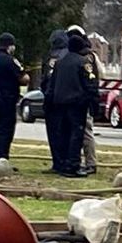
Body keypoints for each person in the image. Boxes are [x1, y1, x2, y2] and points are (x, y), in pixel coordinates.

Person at [49, 32, 100, 177]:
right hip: (77, 105)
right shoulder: (83, 63)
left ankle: (64, 164)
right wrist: (93, 103)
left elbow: (52, 86)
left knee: (64, 134)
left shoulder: (60, 63)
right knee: (76, 135)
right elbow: (90, 84)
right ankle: (73, 165)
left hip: (60, 105)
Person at [0, 33, 26, 172]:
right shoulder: (10, 60)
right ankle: (0, 161)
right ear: (10, 46)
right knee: (5, 130)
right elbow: (24, 78)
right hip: (5, 99)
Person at [67, 24, 102, 174]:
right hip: (78, 99)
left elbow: (95, 75)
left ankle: (90, 162)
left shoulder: (86, 56)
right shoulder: (88, 54)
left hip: (83, 100)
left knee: (86, 131)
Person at [40, 30, 70, 173]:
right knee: (66, 133)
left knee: (54, 133)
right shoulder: (69, 56)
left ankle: (58, 162)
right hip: (66, 101)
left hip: (52, 100)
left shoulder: (51, 58)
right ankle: (65, 161)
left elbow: (45, 80)